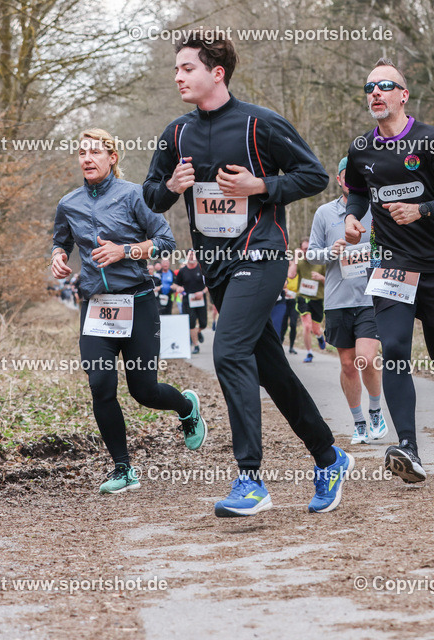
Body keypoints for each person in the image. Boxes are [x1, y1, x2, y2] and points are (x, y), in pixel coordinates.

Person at [143, 31, 351, 516]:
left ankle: (250, 479)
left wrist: (261, 184)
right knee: (273, 370)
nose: (178, 76)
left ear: (217, 72)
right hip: (215, 266)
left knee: (228, 349)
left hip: (260, 256)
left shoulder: (260, 124)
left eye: (187, 68)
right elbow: (151, 197)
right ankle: (329, 456)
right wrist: (171, 185)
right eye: (175, 69)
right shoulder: (176, 134)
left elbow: (313, 175)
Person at [51, 128, 207, 494]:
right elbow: (61, 238)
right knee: (101, 386)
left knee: (144, 391)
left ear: (113, 157)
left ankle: (186, 406)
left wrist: (125, 251)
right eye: (81, 153)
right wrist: (58, 256)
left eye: (95, 152)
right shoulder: (68, 202)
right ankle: (123, 469)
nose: (87, 158)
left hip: (137, 303)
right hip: (96, 306)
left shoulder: (135, 195)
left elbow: (166, 243)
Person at [344, 57, 434, 483]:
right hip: (392, 264)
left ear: (404, 95)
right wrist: (351, 217)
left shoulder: (432, 140)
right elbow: (358, 195)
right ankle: (410, 449)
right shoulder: (361, 149)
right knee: (395, 350)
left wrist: (422, 210)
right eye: (369, 88)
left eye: (384, 85)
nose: (375, 93)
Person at [307, 156, 387, 445]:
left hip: (370, 295)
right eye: (345, 175)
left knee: (366, 358)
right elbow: (310, 252)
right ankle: (359, 423)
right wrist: (331, 251)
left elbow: (394, 245)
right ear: (340, 180)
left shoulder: (376, 210)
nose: (350, 180)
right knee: (348, 365)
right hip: (338, 299)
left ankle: (376, 411)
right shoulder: (324, 213)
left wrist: (376, 253)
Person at [290, 238, 327, 362]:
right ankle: (309, 353)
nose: (307, 251)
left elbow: (331, 282)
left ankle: (319, 336)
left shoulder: (321, 262)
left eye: (308, 249)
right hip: (303, 298)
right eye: (304, 249)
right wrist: (295, 257)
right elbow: (291, 275)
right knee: (307, 326)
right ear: (301, 250)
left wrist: (321, 277)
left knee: (315, 328)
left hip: (317, 298)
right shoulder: (299, 262)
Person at [174, 250, 209, 354]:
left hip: (200, 300)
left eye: (194, 254)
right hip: (187, 301)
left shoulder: (202, 268)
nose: (192, 256)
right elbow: (176, 284)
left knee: (203, 323)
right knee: (191, 323)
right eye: (190, 254)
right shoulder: (182, 271)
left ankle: (199, 332)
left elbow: (209, 285)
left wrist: (202, 292)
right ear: (187, 257)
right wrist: (179, 288)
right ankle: (196, 345)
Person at [281, 271, 300, 353]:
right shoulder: (284, 273)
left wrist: (296, 294)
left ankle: (291, 347)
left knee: (293, 324)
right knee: (283, 325)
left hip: (294, 302)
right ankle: (280, 345)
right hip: (284, 301)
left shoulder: (299, 275)